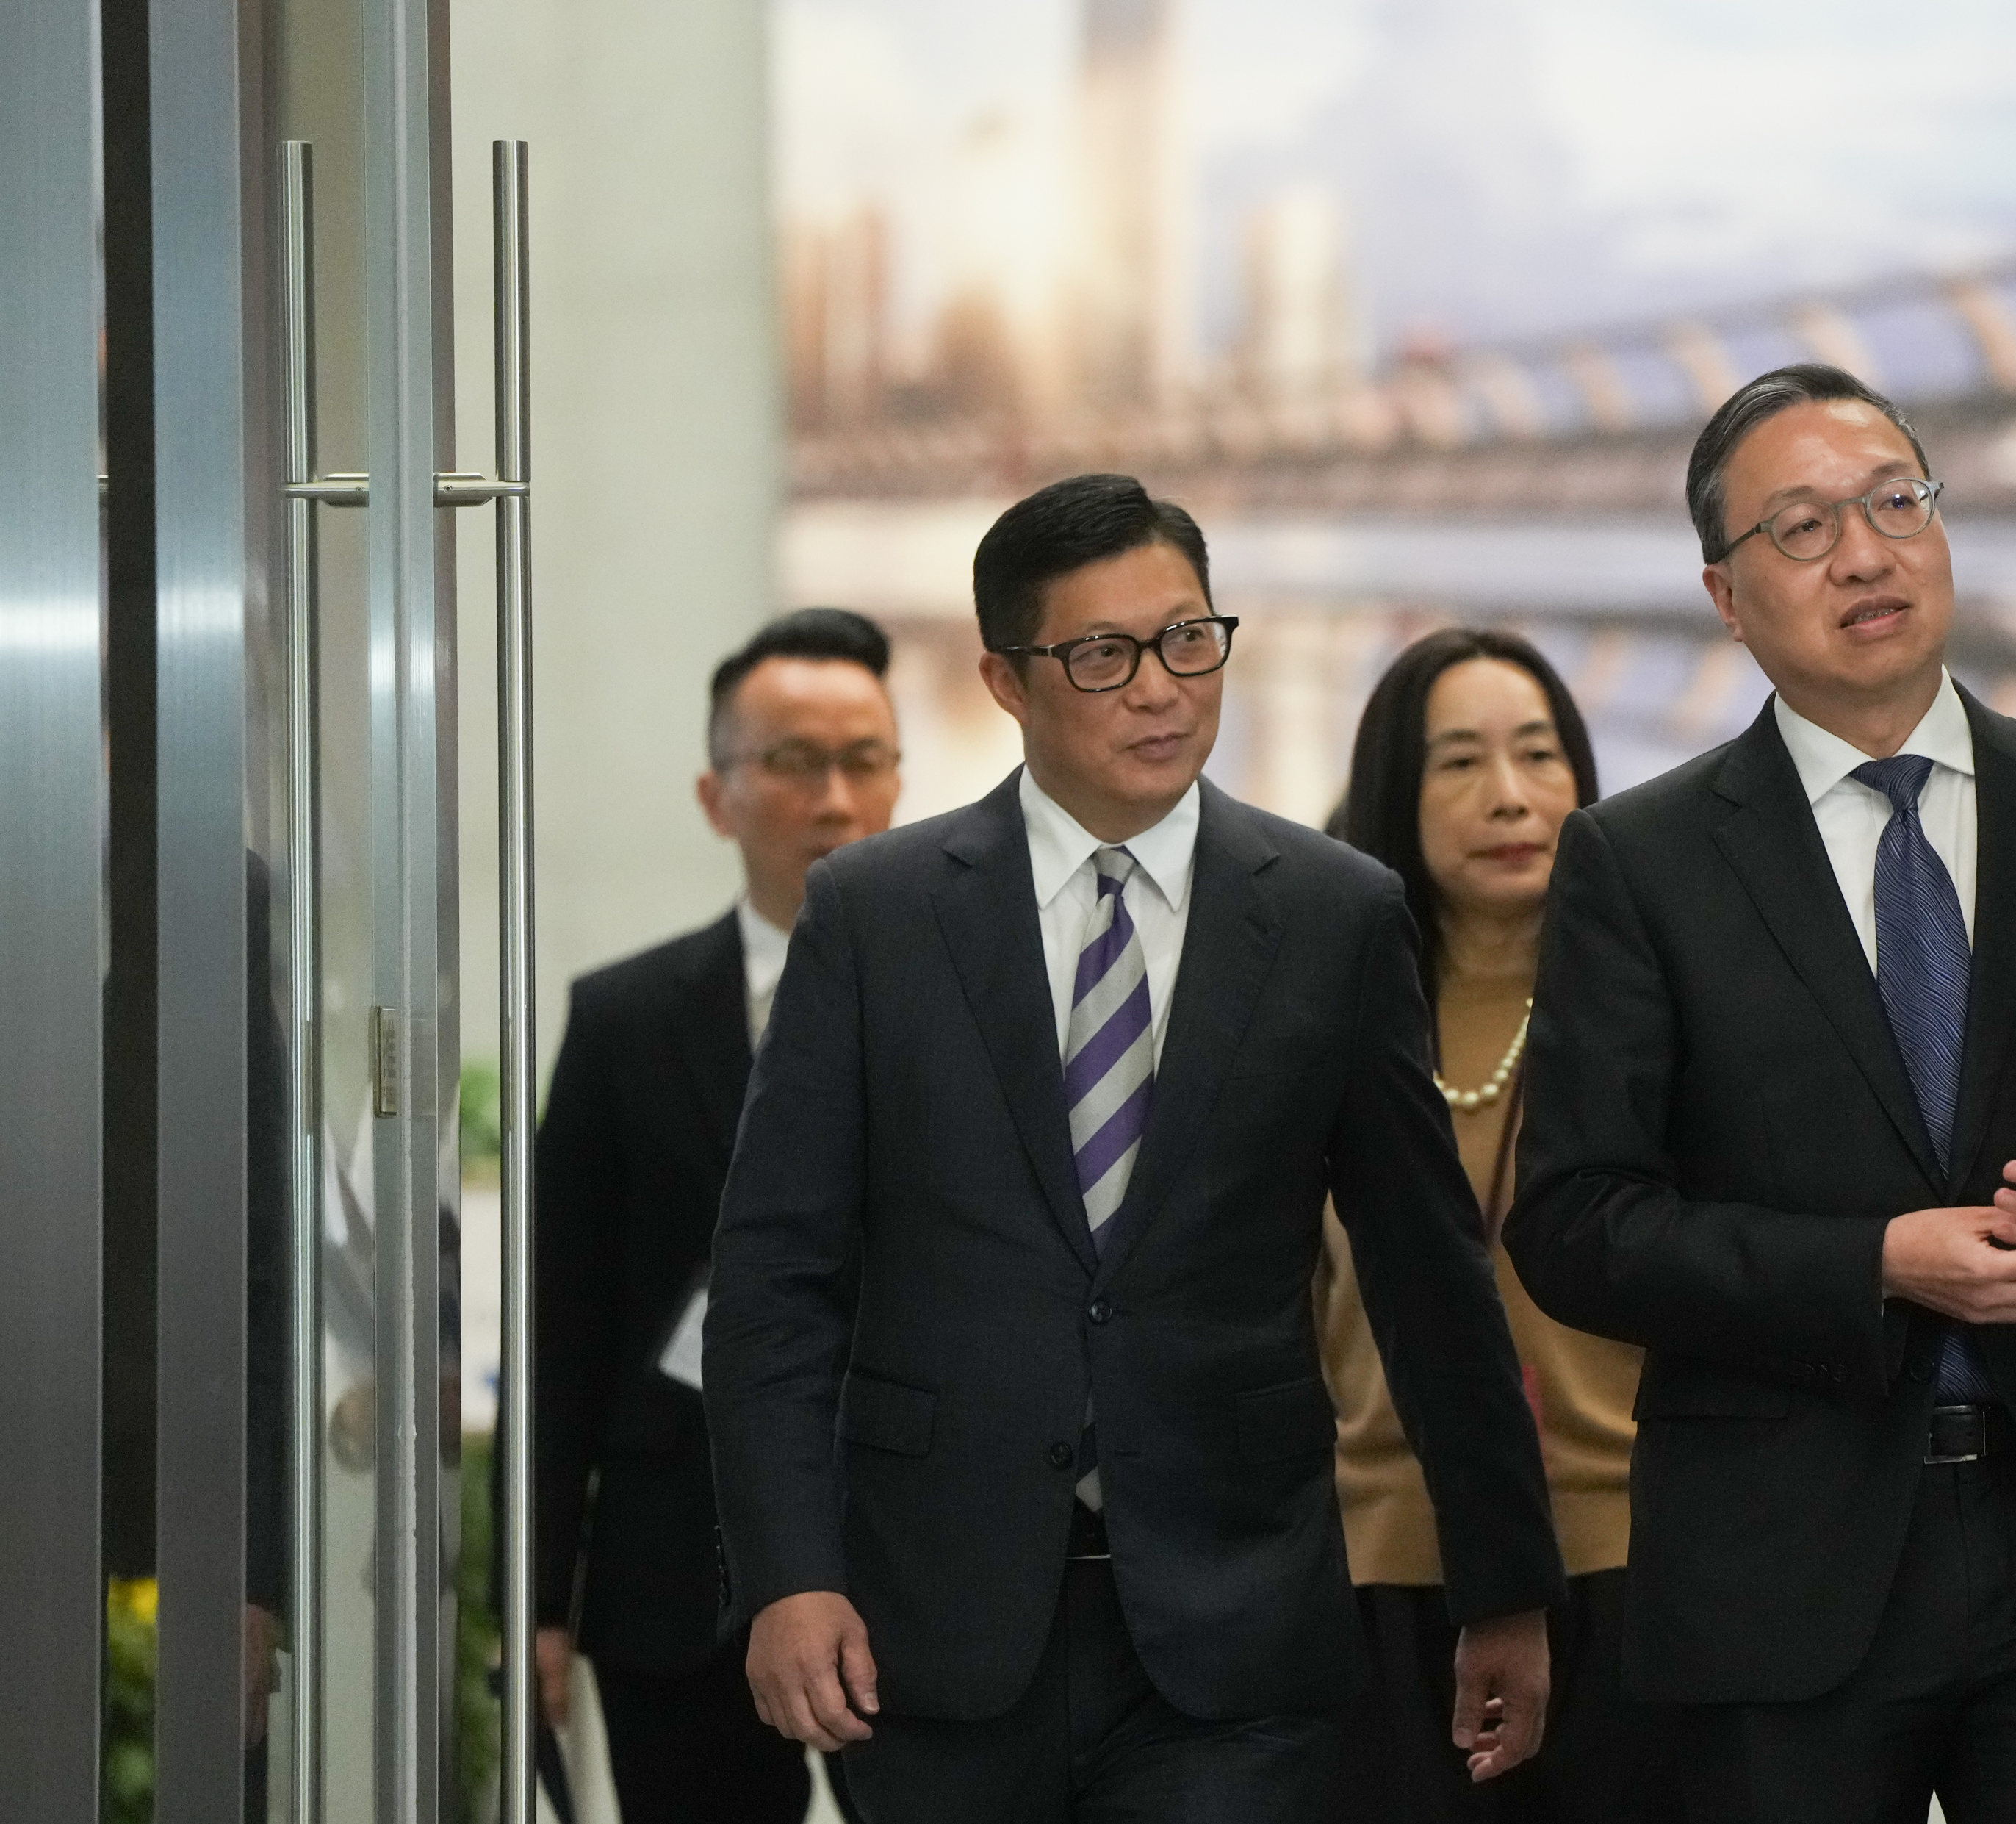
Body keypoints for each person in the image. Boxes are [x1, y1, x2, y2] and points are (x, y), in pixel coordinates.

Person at [702, 474, 1566, 1822]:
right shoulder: (876, 917)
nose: (1162, 688)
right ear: (1005, 677)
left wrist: (1504, 1580)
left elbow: (1426, 1268)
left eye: (1188, 639)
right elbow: (774, 1281)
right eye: (1102, 655)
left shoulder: (1335, 916)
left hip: (1238, 1622)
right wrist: (787, 1573)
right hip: (933, 1614)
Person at [1507, 362, 2016, 1823]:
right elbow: (1571, 1220)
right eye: (1801, 529)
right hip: (1785, 1562)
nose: (1863, 553)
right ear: (1723, 595)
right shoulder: (1644, 861)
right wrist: (1872, 1260)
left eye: (1892, 502)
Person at [520, 606, 901, 1823]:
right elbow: (563, 1330)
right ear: (716, 791)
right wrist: (536, 1600)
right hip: (675, 1575)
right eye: (794, 761)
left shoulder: (975, 1009)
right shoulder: (625, 1020)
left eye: (864, 760)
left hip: (916, 1565)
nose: (834, 798)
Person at [1314, 628, 1678, 1823]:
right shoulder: (1323, 1022)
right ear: (1392, 791)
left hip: (1633, 1560)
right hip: (1381, 1566)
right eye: (1459, 762)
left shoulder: (1661, 1002)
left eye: (1538, 752)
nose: (1510, 795)